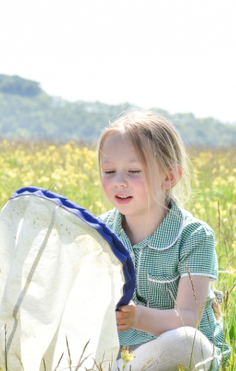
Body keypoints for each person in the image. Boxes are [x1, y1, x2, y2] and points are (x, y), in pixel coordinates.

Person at [97, 110, 230, 371]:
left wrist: (137, 318)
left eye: (134, 171)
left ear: (169, 177)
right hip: (120, 353)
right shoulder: (99, 231)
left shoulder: (194, 236)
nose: (118, 182)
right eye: (109, 171)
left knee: (189, 342)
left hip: (172, 351)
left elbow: (189, 318)